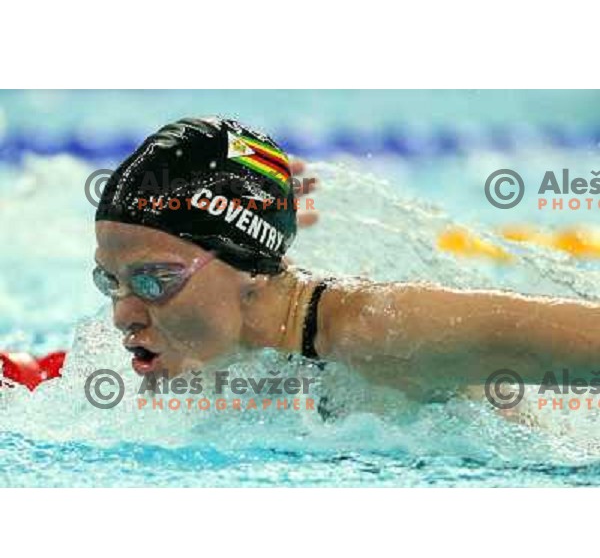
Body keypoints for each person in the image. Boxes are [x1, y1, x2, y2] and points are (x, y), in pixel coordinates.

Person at [94, 116, 600, 405]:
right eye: (111, 281)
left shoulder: (384, 331)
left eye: (155, 279)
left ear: (249, 266)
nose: (124, 314)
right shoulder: (225, 361)